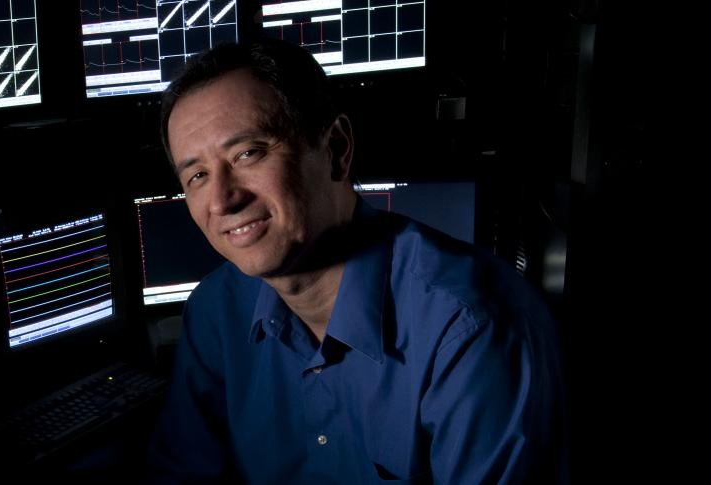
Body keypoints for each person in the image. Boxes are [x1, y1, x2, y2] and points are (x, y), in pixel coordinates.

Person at [147, 39, 566, 483]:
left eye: (248, 153)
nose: (222, 200)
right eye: (196, 176)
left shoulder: (473, 329)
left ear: (337, 150)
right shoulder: (216, 308)